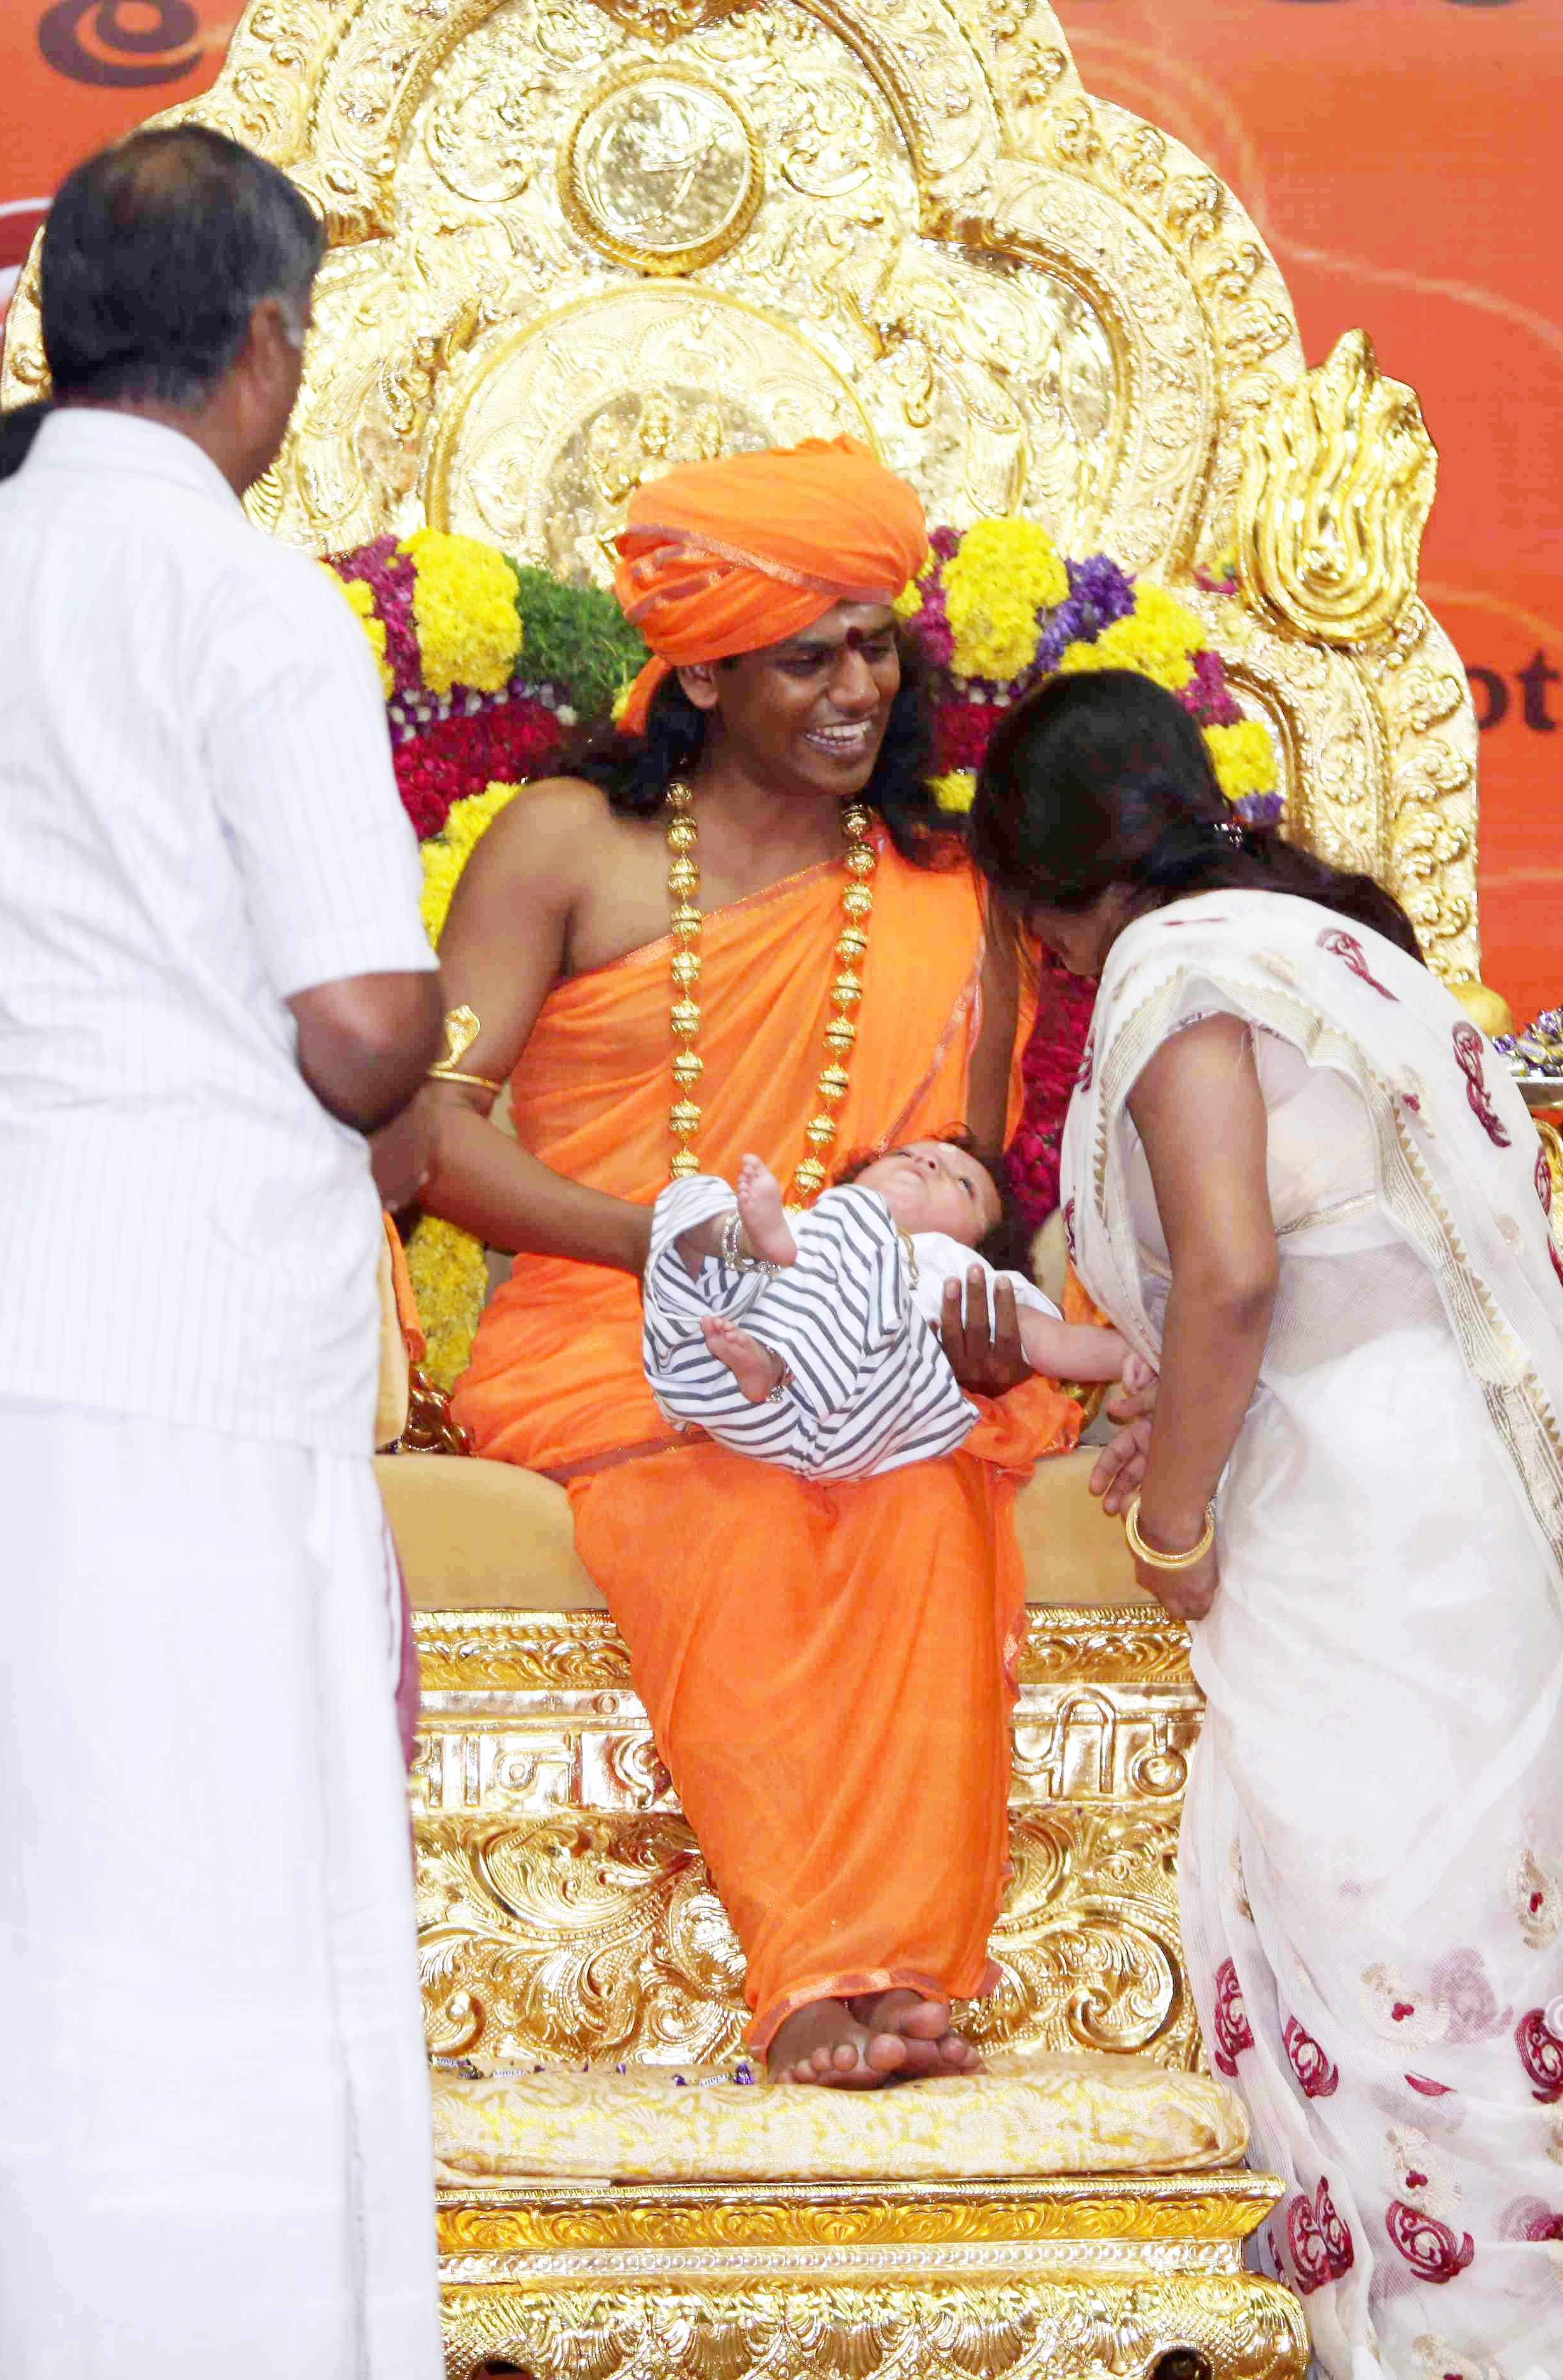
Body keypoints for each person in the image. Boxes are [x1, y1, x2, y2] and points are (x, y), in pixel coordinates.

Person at [0, 129, 441, 2373]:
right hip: (164, 1336)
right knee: (193, 1918)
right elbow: (363, 1032)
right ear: (264, 345)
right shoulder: (246, 604)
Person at [965, 667, 1563, 2377]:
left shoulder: (1178, 964)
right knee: (1468, 1971)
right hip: (1456, 1504)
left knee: (1395, 1957)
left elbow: (1233, 1272)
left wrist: (1173, 1525)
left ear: (1046, 879)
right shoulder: (1337, 948)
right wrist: (1177, 1413)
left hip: (1371, 1532)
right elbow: (1340, 1265)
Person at [427, 436, 1076, 2088]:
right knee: (726, 1496)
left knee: (921, 1497)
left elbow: (967, 1175)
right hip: (607, 1322)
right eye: (808, 660)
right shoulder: (566, 845)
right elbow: (429, 1130)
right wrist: (664, 1245)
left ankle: (897, 1972)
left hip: (862, 1323)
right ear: (703, 676)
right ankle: (814, 1982)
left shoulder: (948, 888)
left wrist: (917, 1288)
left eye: (875, 645)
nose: (857, 691)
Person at [645, 1142, 1134, 1474]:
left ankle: (777, 1363)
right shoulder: (809, 1221)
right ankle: (751, 1296)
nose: (928, 1164)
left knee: (857, 1230)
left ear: (980, 1245)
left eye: (964, 1185)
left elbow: (1055, 1342)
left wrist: (1140, 1354)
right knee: (691, 1199)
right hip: (739, 1409)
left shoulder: (960, 1270)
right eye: (906, 1154)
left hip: (848, 1420)